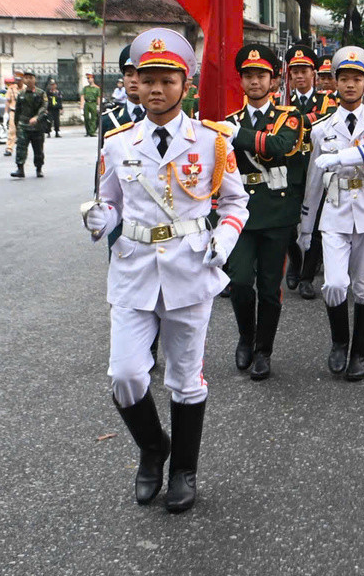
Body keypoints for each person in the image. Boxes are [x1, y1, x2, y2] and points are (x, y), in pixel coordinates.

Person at [82, 30, 249, 514]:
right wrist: (99, 219)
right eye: (146, 80)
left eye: (167, 80)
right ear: (134, 84)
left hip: (190, 267)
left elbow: (237, 201)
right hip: (133, 270)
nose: (156, 89)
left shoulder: (212, 142)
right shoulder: (117, 143)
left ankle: (184, 469)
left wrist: (225, 237)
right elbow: (111, 204)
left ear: (186, 83)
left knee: (184, 377)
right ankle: (154, 447)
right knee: (127, 374)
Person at [301, 45, 364, 381]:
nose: (350, 85)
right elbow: (314, 180)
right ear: (334, 83)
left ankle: (360, 354)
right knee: (333, 283)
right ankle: (339, 342)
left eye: (356, 79)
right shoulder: (322, 128)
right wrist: (305, 224)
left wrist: (343, 157)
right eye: (343, 78)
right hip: (335, 211)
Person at [221, 44, 308, 382]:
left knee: (270, 288)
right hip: (241, 212)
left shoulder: (289, 116)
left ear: (273, 80)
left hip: (276, 211)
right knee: (241, 281)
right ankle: (246, 335)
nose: (254, 81)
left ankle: (263, 350)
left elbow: (278, 146)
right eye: (248, 75)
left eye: (261, 75)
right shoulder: (230, 121)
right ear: (241, 80)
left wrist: (234, 134)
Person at [284, 45, 335, 300]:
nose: (299, 76)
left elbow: (322, 126)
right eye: (295, 72)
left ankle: (306, 277)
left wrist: (295, 121)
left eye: (304, 71)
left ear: (313, 73)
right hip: (290, 169)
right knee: (288, 223)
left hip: (317, 166)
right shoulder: (281, 101)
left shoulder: (326, 101)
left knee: (316, 224)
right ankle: (295, 260)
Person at [11, 71, 48, 178]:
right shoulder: (21, 94)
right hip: (23, 125)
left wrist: (37, 117)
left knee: (38, 149)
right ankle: (20, 169)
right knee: (21, 148)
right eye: (26, 78)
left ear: (35, 79)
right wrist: (16, 125)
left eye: (31, 77)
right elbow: (18, 110)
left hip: (37, 126)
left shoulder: (41, 93)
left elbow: (44, 107)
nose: (28, 80)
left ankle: (39, 168)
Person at [2, 76, 20, 157]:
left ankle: (22, 148)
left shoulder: (25, 88)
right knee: (12, 131)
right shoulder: (11, 89)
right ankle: (9, 148)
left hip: (23, 113)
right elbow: (8, 101)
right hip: (13, 112)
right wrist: (6, 113)